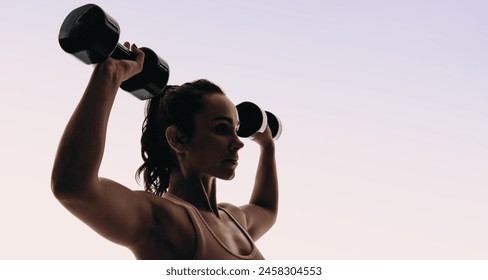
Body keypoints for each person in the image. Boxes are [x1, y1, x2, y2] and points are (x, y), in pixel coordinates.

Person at [51, 43, 279, 260]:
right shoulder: (160, 218)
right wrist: (109, 74)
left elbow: (265, 209)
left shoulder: (235, 219)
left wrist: (267, 146)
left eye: (236, 130)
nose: (238, 143)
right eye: (222, 129)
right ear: (178, 139)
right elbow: (73, 188)